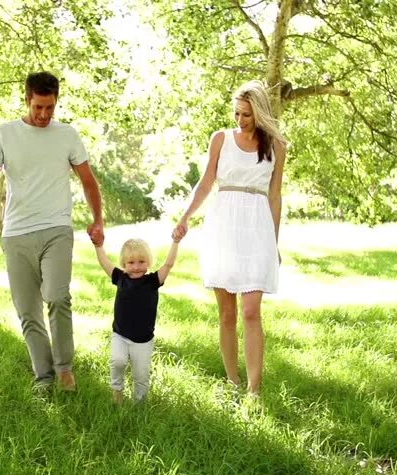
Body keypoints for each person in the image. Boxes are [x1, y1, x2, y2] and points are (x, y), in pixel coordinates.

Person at [0, 71, 104, 392]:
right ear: (27, 99)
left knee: (58, 297)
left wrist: (98, 219)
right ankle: (43, 377)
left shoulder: (67, 135)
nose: (44, 115)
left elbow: (88, 181)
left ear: (56, 103)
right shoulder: (4, 134)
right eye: (38, 107)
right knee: (28, 310)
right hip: (16, 233)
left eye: (50, 108)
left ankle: (64, 369)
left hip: (57, 228)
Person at [173, 80, 286, 397]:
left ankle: (253, 390)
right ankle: (232, 382)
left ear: (260, 114)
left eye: (247, 115)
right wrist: (185, 217)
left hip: (257, 227)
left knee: (251, 310)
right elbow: (205, 182)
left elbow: (275, 197)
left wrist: (273, 243)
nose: (240, 120)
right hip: (223, 224)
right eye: (237, 113)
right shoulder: (221, 139)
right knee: (227, 312)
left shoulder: (276, 147)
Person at [93, 237, 179, 404]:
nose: (137, 266)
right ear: (124, 264)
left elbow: (168, 264)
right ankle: (117, 392)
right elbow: (104, 262)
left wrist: (175, 242)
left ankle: (140, 405)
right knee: (117, 361)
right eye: (131, 262)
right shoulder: (120, 278)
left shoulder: (153, 281)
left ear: (149, 261)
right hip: (120, 335)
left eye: (141, 261)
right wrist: (99, 246)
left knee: (141, 375)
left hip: (143, 340)